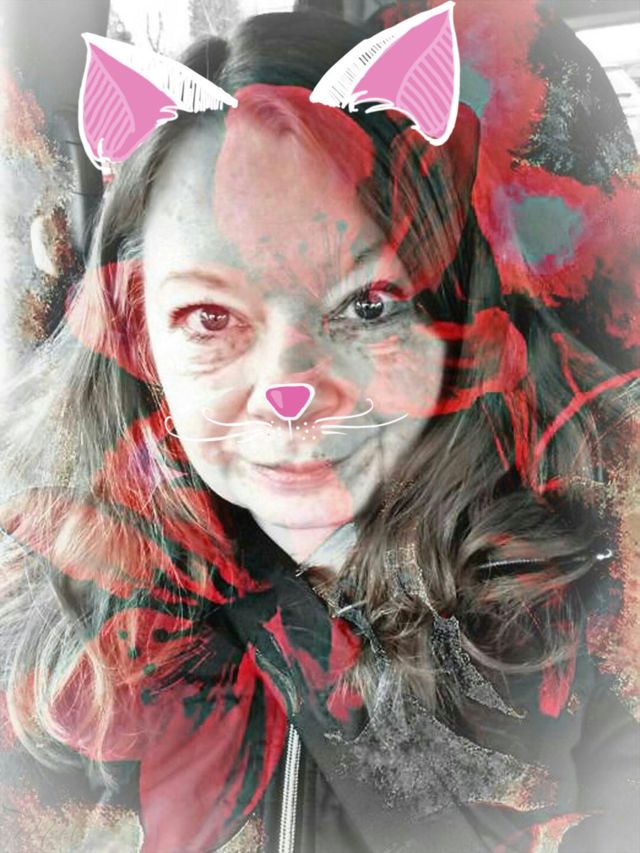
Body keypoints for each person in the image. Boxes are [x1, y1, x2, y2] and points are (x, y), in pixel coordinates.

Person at [1, 3, 639, 851]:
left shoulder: (594, 608)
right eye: (210, 317)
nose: (290, 390)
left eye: (366, 305)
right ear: (139, 339)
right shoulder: (51, 638)